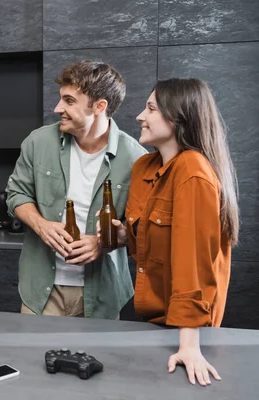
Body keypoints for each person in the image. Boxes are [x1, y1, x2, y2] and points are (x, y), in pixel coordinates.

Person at [100, 78, 239, 386]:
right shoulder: (145, 168)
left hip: (187, 330)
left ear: (177, 117)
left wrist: (188, 347)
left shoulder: (193, 171)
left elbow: (193, 264)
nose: (139, 116)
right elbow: (150, 249)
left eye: (150, 108)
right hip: (154, 322)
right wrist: (124, 236)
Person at [6, 60, 147, 318]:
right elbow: (17, 194)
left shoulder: (136, 158)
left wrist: (104, 243)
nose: (58, 108)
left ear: (100, 106)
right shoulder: (38, 142)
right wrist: (41, 225)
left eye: (69, 101)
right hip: (41, 292)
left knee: (98, 359)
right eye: (61, 99)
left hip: (102, 295)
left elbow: (141, 231)